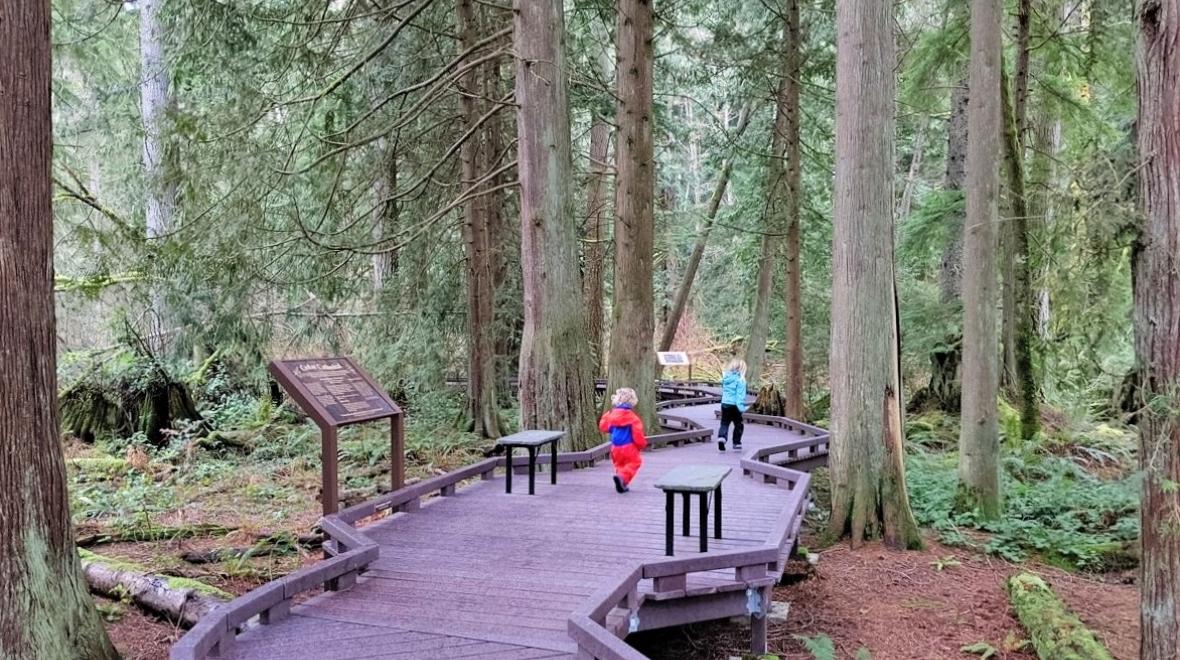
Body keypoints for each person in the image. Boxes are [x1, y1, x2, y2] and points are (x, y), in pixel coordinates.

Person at [599, 387, 647, 493]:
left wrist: (606, 416)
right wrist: (641, 445)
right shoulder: (632, 418)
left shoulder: (611, 415)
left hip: (615, 447)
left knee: (619, 464)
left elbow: (604, 427)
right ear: (633, 402)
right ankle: (622, 478)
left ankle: (622, 483)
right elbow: (637, 433)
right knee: (635, 462)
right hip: (629, 446)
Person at [718, 358, 748, 451]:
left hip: (725, 403)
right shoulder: (741, 380)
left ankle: (722, 437)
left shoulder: (726, 378)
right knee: (738, 424)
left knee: (724, 423)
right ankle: (736, 442)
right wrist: (741, 408)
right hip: (735, 405)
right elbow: (740, 395)